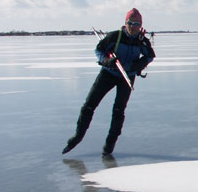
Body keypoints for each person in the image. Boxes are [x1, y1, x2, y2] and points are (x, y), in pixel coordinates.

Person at [62, 8, 155, 156]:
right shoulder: (114, 36)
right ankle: (77, 137)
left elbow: (150, 56)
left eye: (136, 24)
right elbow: (99, 50)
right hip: (108, 74)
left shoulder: (142, 41)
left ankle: (109, 145)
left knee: (119, 111)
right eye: (130, 23)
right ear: (125, 23)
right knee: (89, 105)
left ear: (141, 25)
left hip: (127, 77)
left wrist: (140, 64)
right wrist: (106, 61)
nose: (132, 26)